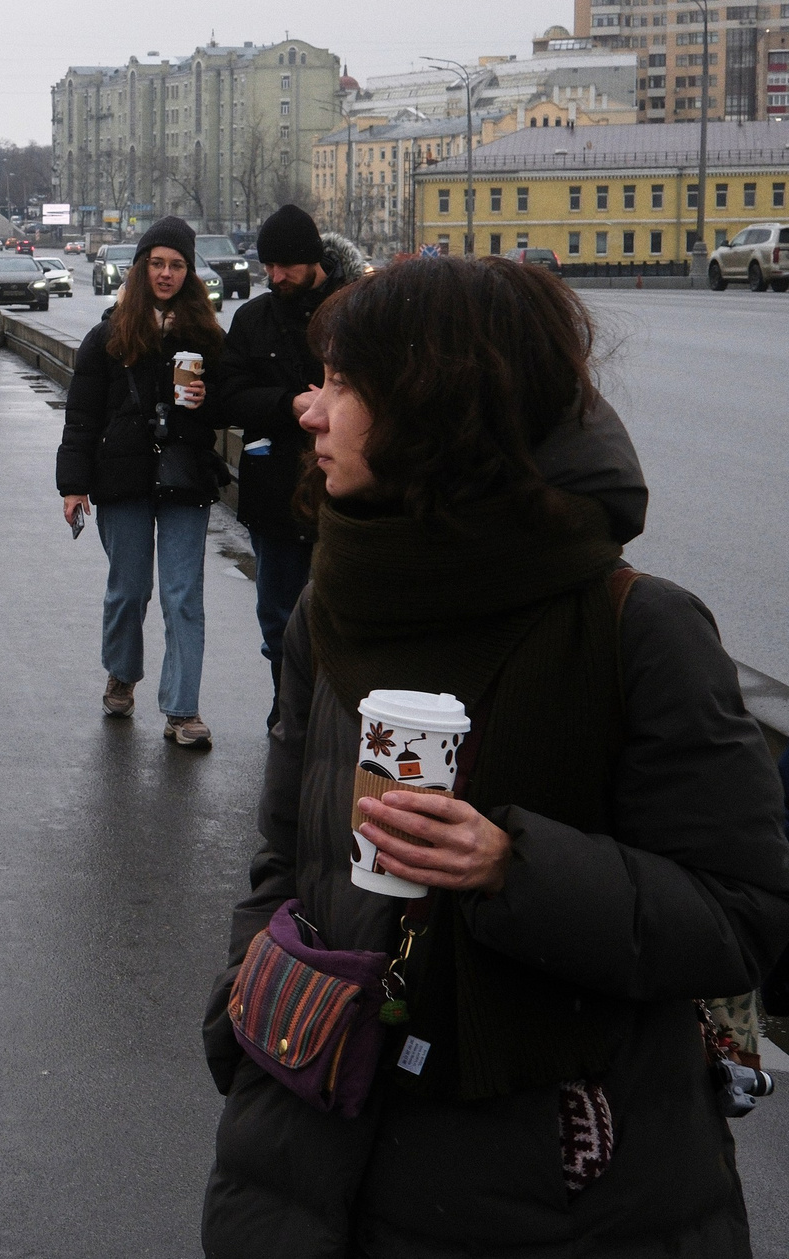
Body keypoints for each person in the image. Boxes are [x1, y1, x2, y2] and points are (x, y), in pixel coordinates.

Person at [202, 255, 789, 1257]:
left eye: (344, 386)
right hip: (318, 1131)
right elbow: (281, 859)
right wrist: (244, 1015)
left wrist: (512, 867)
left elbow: (742, 920)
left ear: (437, 409)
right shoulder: (333, 608)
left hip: (566, 1187)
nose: (311, 412)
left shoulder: (637, 631)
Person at [54, 214, 224, 747]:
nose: (167, 274)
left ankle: (181, 710)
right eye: (158, 264)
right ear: (141, 268)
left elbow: (232, 404)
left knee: (183, 596)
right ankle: (122, 673)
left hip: (185, 478)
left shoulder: (206, 338)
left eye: (177, 265)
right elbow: (80, 418)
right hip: (121, 478)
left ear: (189, 274)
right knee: (129, 590)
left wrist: (207, 399)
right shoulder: (107, 336)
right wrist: (72, 486)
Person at [210, 205, 365, 717]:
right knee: (278, 620)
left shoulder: (359, 313)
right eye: (267, 266)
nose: (274, 277)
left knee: (346, 616)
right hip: (274, 491)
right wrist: (288, 405)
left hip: (347, 495)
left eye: (285, 267)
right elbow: (226, 396)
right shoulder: (253, 318)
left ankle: (333, 720)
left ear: (314, 260)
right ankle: (288, 716)